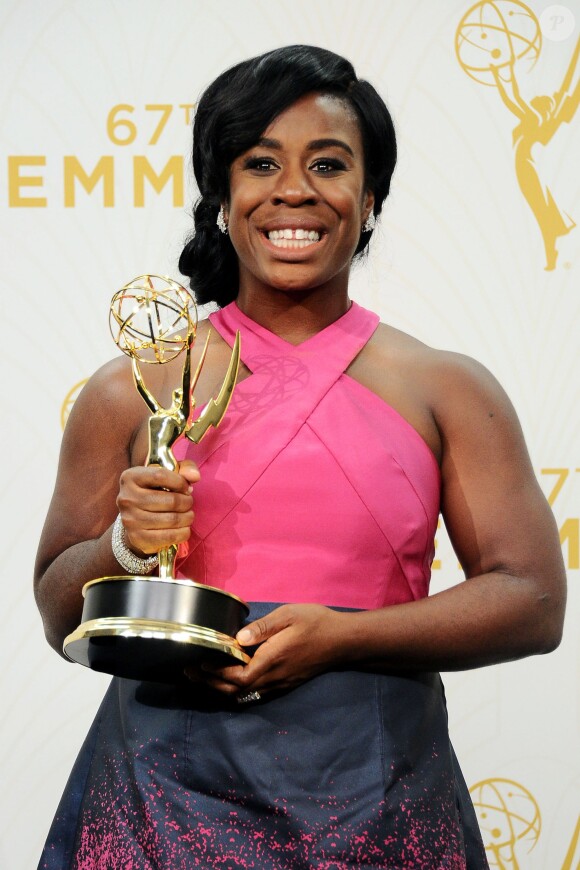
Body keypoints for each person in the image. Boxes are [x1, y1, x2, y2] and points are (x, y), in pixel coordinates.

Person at [36, 45, 566, 869]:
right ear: (220, 196)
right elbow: (57, 609)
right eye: (259, 163)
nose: (293, 190)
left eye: (328, 163)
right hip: (156, 807)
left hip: (381, 803)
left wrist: (345, 638)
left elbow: (532, 600)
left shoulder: (449, 390)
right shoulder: (132, 388)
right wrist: (126, 548)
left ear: (371, 196)